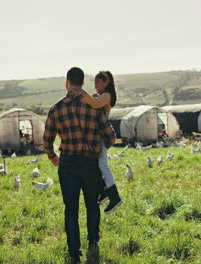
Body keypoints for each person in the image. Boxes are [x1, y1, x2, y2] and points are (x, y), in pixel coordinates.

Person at [43, 67, 116, 264]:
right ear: (83, 84)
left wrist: (52, 156)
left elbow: (47, 140)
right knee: (92, 205)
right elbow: (110, 137)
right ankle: (93, 242)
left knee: (71, 210)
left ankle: (74, 253)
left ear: (67, 83)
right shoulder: (95, 107)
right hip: (90, 164)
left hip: (67, 164)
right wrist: (100, 146)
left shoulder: (55, 109)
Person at [70, 71, 122, 214]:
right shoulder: (102, 95)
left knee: (103, 164)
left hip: (100, 134)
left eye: (98, 83)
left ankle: (114, 197)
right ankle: (105, 191)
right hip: (97, 135)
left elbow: (96, 104)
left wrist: (82, 93)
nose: (96, 86)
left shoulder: (107, 96)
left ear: (106, 82)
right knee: (97, 164)